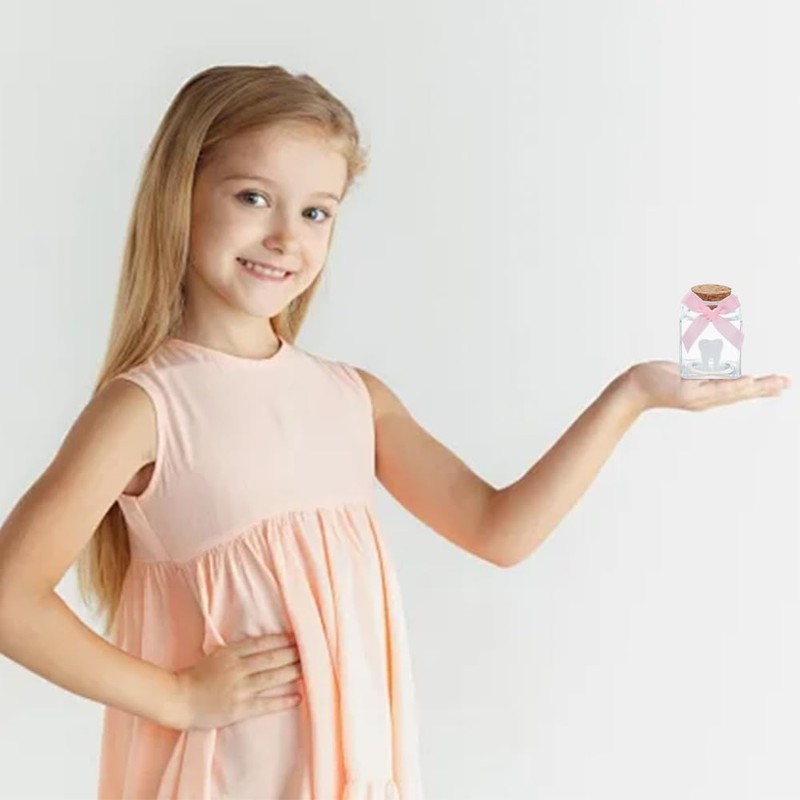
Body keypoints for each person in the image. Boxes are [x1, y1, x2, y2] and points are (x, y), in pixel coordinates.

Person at [0, 64, 790, 800]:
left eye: (315, 212)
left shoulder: (353, 399)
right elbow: (11, 598)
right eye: (253, 197)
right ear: (181, 193)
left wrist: (633, 394)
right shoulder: (147, 409)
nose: (286, 237)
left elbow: (499, 530)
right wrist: (176, 696)